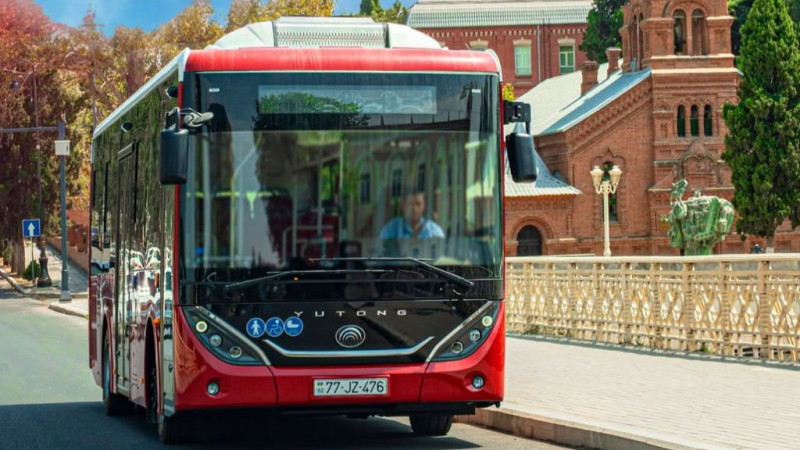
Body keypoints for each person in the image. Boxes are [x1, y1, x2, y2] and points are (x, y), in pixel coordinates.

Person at [380, 187, 444, 239]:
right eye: (409, 204)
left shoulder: (434, 231)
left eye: (418, 204)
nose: (414, 209)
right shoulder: (391, 230)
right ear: (402, 206)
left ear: (424, 206)